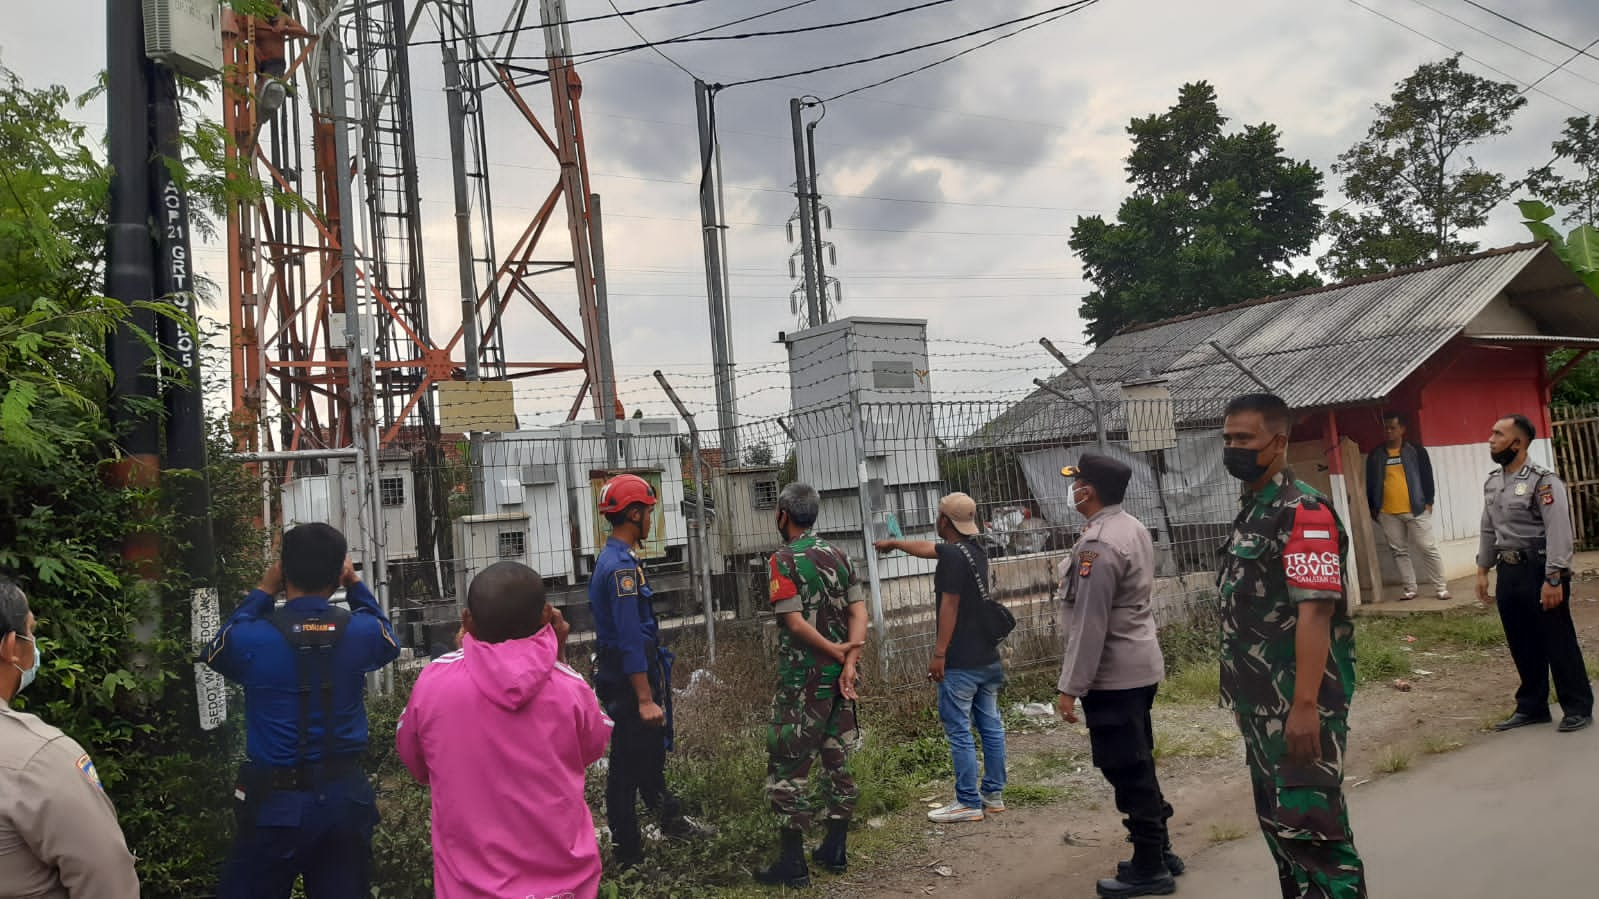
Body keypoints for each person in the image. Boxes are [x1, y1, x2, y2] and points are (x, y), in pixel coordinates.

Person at [1217, 394, 1366, 899]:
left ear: (1278, 442)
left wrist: (1304, 707)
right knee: (1282, 834)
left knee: (1315, 838)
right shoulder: (1254, 510)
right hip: (1261, 707)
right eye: (1228, 439)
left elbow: (1315, 612)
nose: (1232, 449)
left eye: (1244, 439)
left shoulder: (1303, 512)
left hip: (1299, 707)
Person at [202, 522, 401, 899]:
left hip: (274, 804)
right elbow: (387, 636)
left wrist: (263, 591)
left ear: (283, 570)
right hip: (345, 800)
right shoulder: (359, 633)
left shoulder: (253, 638)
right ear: (339, 572)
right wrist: (356, 586)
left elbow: (217, 648)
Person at [398, 561, 613, 898]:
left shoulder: (432, 685)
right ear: (547, 617)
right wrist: (558, 658)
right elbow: (591, 749)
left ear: (467, 621)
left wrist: (462, 658)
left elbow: (416, 762)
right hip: (566, 888)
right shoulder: (570, 688)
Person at [1055, 454, 1180, 898]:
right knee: (1139, 757)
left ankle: (1150, 866)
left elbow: (1090, 625)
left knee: (1125, 766)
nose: (1072, 489)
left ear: (1087, 492)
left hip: (1112, 674)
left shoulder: (1100, 545)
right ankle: (1160, 849)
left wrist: (1070, 688)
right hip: (1139, 665)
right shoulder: (1131, 526)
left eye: (1077, 483)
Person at [589, 474, 709, 866]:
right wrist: (643, 698)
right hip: (629, 679)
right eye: (649, 513)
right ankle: (629, 855)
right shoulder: (620, 569)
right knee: (626, 766)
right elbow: (627, 637)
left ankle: (669, 818)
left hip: (635, 672)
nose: (651, 522)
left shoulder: (618, 559)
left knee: (649, 753)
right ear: (634, 514)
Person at [755, 484, 868, 888]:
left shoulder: (781, 561)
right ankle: (835, 849)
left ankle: (793, 865)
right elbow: (859, 611)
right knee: (837, 757)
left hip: (803, 682)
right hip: (840, 682)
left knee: (787, 762)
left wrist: (836, 652)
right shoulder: (840, 555)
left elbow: (795, 622)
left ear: (782, 514)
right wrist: (849, 660)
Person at [0, 578, 140, 897]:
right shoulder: (39, 758)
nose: (33, 643)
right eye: (30, 630)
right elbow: (107, 882)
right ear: (10, 647)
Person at [875, 492, 1006, 825]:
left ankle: (967, 802)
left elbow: (949, 606)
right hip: (988, 659)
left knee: (959, 729)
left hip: (960, 660)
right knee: (990, 725)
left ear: (944, 521)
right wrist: (896, 543)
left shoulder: (952, 558)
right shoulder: (974, 551)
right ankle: (993, 796)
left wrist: (939, 654)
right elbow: (929, 549)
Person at [1475, 414, 1593, 733]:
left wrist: (1554, 576)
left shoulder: (1544, 480)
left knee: (1557, 638)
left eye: (1498, 434)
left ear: (1518, 443)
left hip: (1540, 568)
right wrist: (1483, 568)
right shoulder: (1493, 481)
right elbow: (1489, 527)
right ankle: (1532, 706)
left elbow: (1559, 531)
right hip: (1509, 569)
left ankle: (1577, 706)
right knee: (1521, 640)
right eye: (1492, 433)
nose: (1491, 439)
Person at [1364, 412, 1449, 601]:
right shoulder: (1376, 455)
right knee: (1399, 551)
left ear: (1402, 429)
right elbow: (1369, 483)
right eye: (1385, 428)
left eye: (1393, 428)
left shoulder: (1416, 451)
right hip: (1387, 512)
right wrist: (1373, 509)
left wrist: (1429, 501)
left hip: (1416, 509)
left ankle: (1441, 587)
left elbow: (1427, 477)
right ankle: (1410, 588)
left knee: (1427, 548)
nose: (1388, 432)